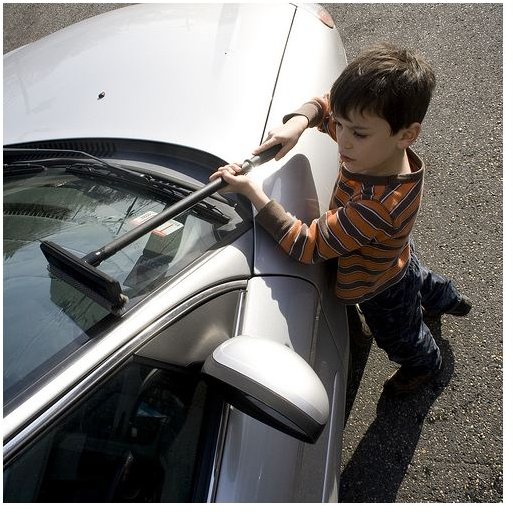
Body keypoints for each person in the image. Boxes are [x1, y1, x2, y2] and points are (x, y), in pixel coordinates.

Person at [209, 43, 471, 395]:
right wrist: (298, 124)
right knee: (414, 274)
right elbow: (328, 104)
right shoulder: (376, 150)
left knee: (399, 333)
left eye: (357, 133)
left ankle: (424, 364)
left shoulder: (376, 208)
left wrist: (251, 192)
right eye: (341, 127)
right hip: (392, 255)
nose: (342, 140)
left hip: (377, 285)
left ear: (407, 135)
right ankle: (448, 299)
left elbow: (307, 244)